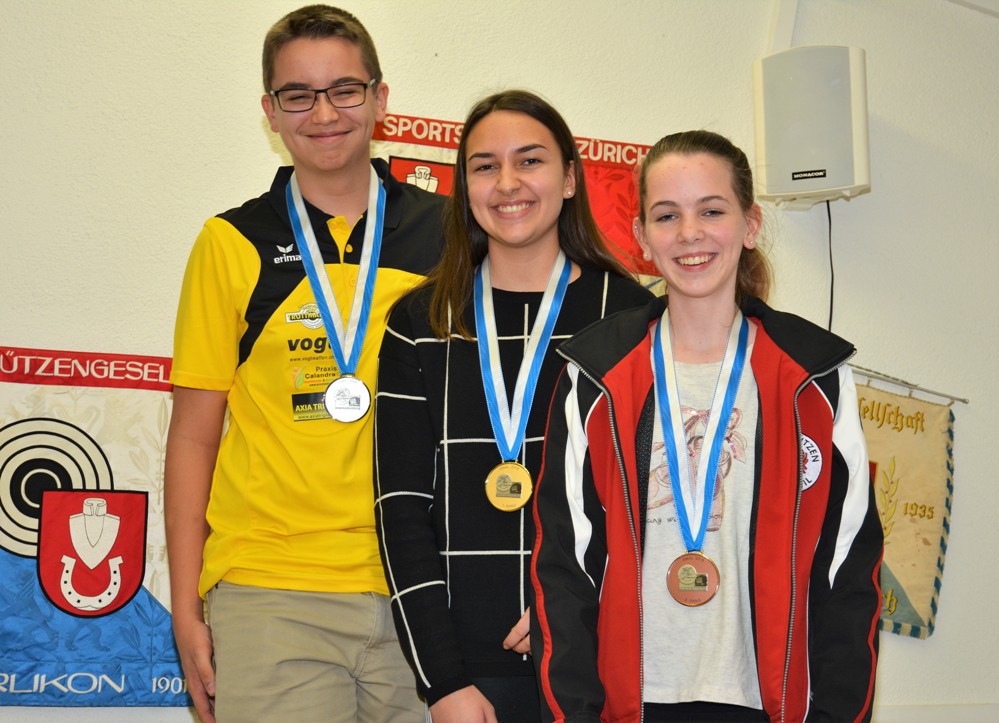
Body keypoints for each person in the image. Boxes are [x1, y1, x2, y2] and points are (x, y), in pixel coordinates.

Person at [530, 130, 883, 722]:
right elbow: (564, 571)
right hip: (630, 704)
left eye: (712, 211)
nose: (689, 233)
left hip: (766, 704)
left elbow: (849, 569)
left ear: (750, 225)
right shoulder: (594, 376)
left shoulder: (813, 378)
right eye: (667, 215)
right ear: (642, 236)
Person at [164, 6, 444, 722]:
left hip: (423, 585)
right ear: (271, 111)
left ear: (380, 99)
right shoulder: (231, 241)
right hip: (270, 588)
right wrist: (185, 607)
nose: (324, 113)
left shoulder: (451, 236)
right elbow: (194, 435)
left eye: (345, 90)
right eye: (299, 95)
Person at [373, 89, 653, 723]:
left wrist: (572, 607)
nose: (507, 183)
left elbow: (653, 501)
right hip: (467, 674)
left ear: (570, 178)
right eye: (484, 165)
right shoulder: (421, 321)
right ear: (463, 187)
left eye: (530, 160)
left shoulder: (633, 318)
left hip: (600, 653)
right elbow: (401, 510)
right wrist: (442, 681)